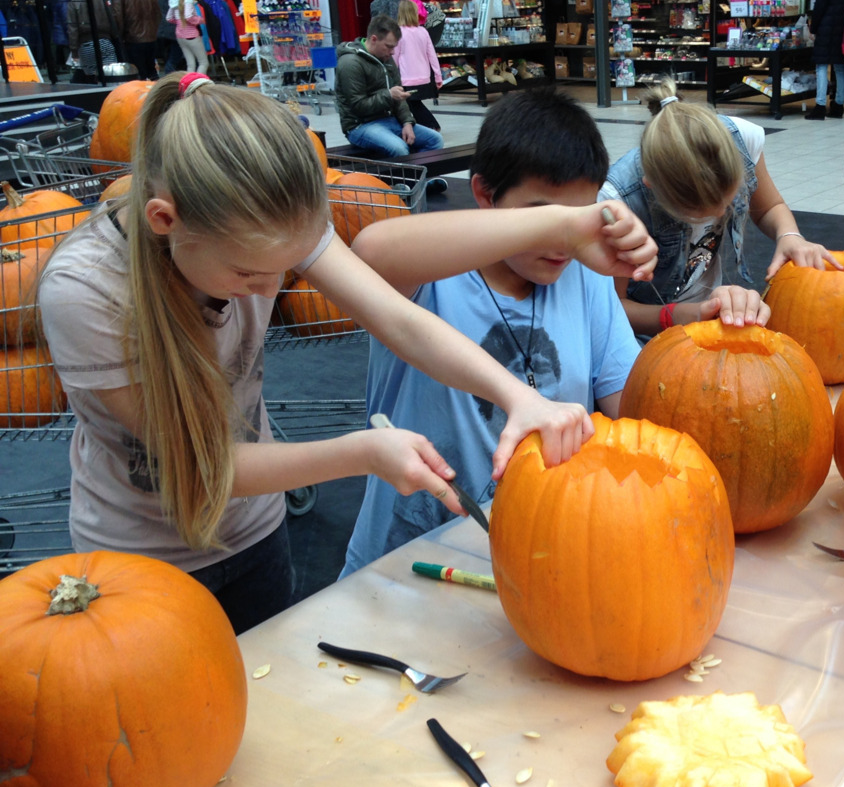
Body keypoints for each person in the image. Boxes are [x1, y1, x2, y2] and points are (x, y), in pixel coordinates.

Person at [36, 73, 627, 634]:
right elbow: (198, 470)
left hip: (254, 530)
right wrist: (363, 452)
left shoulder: (269, 217)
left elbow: (398, 318)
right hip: (142, 556)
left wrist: (517, 396)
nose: (271, 293)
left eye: (286, 267)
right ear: (165, 221)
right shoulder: (85, 292)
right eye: (249, 272)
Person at [340, 88, 693, 576]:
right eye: (542, 214)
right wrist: (561, 225)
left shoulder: (584, 280)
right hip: (406, 556)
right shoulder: (433, 271)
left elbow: (628, 410)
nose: (564, 241)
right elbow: (372, 251)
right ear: (484, 193)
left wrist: (700, 341)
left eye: (579, 217)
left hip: (539, 552)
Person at [600, 79, 828, 339]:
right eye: (697, 211)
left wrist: (789, 235)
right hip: (646, 332)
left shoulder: (740, 138)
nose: (720, 215)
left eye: (728, 200)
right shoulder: (617, 201)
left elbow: (769, 207)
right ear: (651, 185)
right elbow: (611, 309)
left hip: (707, 313)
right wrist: (676, 316)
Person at [334, 15, 445, 165]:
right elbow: (358, 105)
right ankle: (410, 184)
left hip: (389, 119)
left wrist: (407, 122)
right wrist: (389, 95)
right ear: (374, 39)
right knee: (399, 148)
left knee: (435, 140)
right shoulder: (350, 63)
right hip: (360, 126)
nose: (393, 52)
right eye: (389, 46)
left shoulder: (386, 58)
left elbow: (399, 96)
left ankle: (417, 180)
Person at [394, 0, 441, 132]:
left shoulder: (399, 33)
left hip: (407, 77)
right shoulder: (423, 31)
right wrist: (437, 76)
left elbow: (394, 57)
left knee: (411, 103)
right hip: (424, 76)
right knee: (413, 103)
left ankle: (431, 125)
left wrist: (391, 75)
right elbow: (432, 55)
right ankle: (428, 125)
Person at [805, 0, 844, 120]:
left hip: (825, 30)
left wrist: (813, 29)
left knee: (821, 67)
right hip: (841, 31)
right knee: (840, 68)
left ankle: (820, 106)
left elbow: (819, 9)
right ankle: (838, 105)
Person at [66, 0, 120, 83]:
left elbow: (72, 28)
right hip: (105, 40)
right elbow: (112, 18)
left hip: (86, 44)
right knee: (110, 74)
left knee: (91, 77)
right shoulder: (103, 1)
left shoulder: (73, 2)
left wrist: (74, 50)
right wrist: (116, 37)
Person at [117, 0, 162, 79]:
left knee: (137, 74)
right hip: (151, 37)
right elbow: (158, 13)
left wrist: (119, 36)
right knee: (152, 72)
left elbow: (118, 16)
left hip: (132, 38)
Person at [166, 0, 207, 75]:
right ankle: (198, 82)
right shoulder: (188, 2)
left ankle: (189, 82)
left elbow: (169, 18)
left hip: (180, 36)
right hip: (192, 35)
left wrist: (179, 22)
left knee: (190, 64)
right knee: (203, 63)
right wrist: (200, 20)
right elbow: (188, 16)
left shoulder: (174, 3)